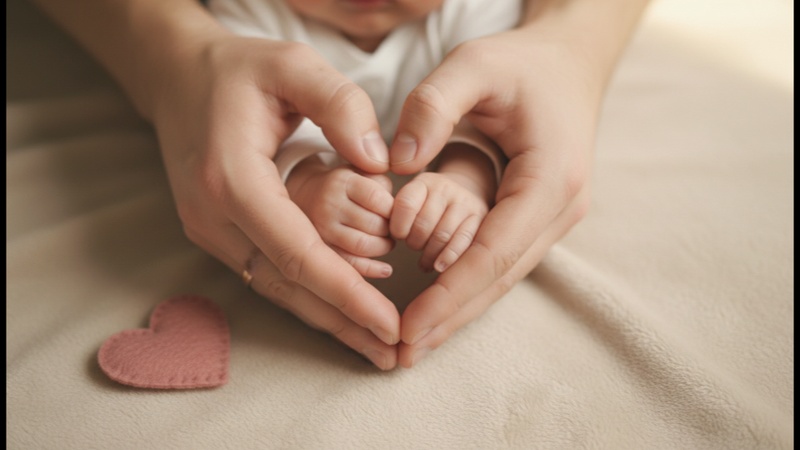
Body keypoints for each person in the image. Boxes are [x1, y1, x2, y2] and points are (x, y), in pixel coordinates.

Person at [29, 0, 650, 370]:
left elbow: (495, 115)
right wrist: (306, 183)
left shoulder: (473, 12)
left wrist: (464, 178)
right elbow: (263, 127)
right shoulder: (254, 14)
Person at [208, 0, 518, 279]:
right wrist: (305, 182)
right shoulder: (248, 10)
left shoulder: (479, 9)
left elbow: (493, 108)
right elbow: (252, 122)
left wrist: (468, 178)